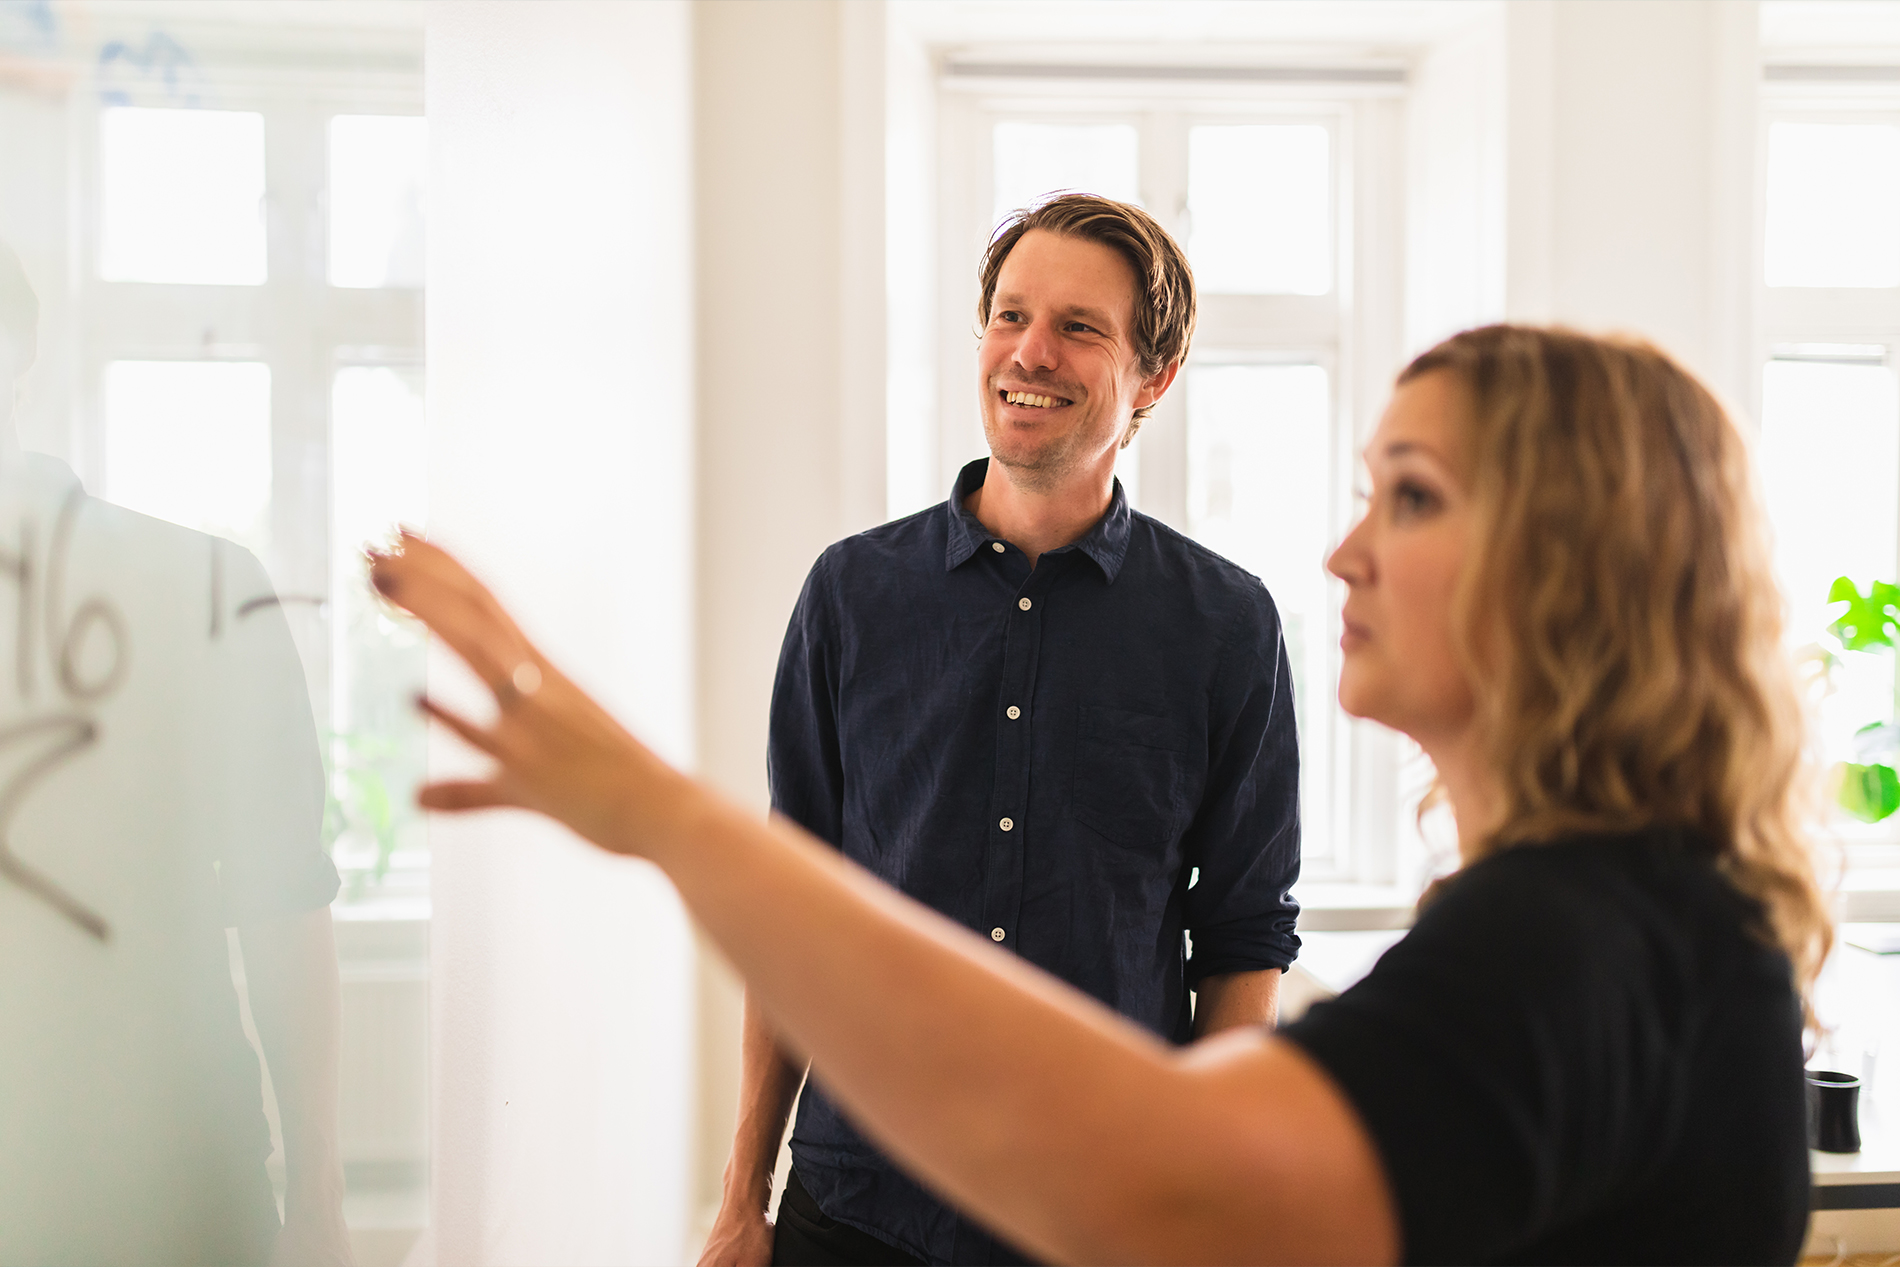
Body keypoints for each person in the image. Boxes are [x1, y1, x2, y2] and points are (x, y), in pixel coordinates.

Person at [371, 323, 1831, 1265]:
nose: (1346, 554)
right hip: (855, 1209)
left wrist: (663, 816)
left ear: (1578, 560)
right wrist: (747, 1183)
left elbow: (1175, 1165)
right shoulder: (1604, 911)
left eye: (1414, 495)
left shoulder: (1580, 934)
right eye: (1365, 490)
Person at [705, 193, 1301, 1265]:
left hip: (1104, 1211)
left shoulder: (1224, 624)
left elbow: (1244, 935)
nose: (1030, 352)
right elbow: (788, 905)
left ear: (1151, 379)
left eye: (1079, 327)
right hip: (857, 1206)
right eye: (1010, 315)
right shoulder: (851, 594)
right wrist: (742, 1196)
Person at [0, 241, 353, 1267]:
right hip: (174, 1183)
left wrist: (317, 1197)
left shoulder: (206, 591)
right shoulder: (202, 582)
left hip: (165, 1189)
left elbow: (286, 904)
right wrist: (318, 1193)